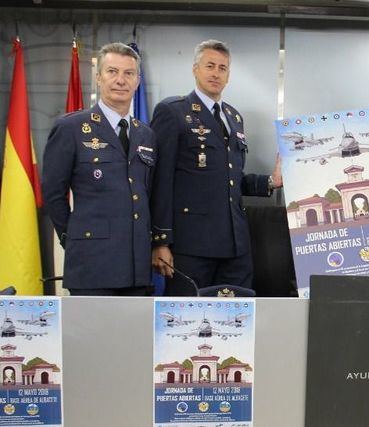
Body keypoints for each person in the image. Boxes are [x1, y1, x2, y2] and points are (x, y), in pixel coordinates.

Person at [150, 39, 282, 295]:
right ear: (195, 69)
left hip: (235, 245)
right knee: (186, 322)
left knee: (236, 323)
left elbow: (230, 179)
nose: (216, 73)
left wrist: (270, 182)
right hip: (191, 246)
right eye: (209, 66)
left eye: (222, 68)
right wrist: (161, 241)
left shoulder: (233, 117)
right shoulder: (172, 112)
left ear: (228, 75)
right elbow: (160, 181)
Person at [42, 42, 156, 296]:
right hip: (91, 264)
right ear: (98, 77)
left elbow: (146, 194)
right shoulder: (71, 128)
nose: (120, 80)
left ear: (137, 80)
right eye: (112, 71)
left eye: (128, 73)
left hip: (137, 265)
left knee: (133, 336)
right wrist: (73, 238)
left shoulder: (145, 134)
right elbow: (52, 193)